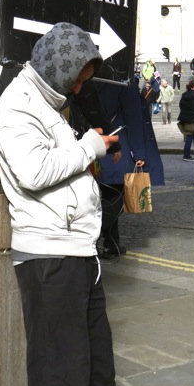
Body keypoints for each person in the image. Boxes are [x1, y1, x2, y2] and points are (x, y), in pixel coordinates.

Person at [0, 22, 163, 386]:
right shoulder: (18, 104)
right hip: (49, 252)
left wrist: (83, 156)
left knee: (93, 348)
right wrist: (89, 147)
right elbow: (33, 172)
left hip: (75, 246)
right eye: (80, 75)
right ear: (59, 65)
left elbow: (55, 166)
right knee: (58, 364)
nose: (83, 83)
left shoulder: (51, 102)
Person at [71, 79, 164, 259]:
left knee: (104, 194)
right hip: (117, 146)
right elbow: (134, 119)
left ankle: (111, 242)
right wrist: (139, 153)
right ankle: (90, 238)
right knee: (116, 198)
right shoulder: (123, 85)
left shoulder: (87, 81)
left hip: (91, 143)